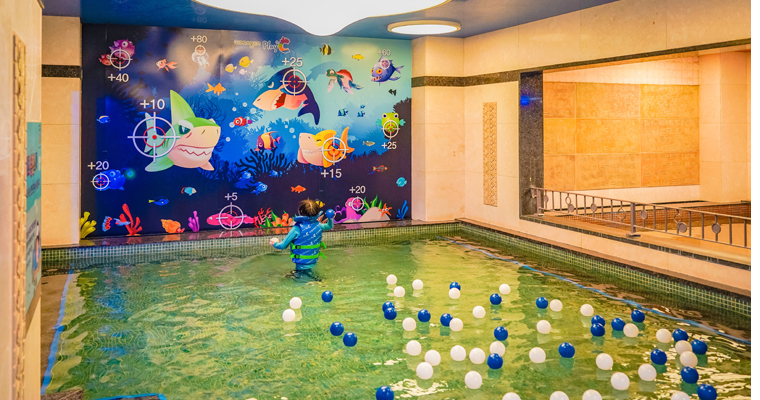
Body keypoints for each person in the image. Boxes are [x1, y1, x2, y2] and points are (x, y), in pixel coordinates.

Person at [271, 199, 335, 270]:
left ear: (300, 212)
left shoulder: (297, 229)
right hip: (314, 264)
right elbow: (329, 226)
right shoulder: (319, 226)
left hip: (301, 268)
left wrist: (275, 243)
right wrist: (330, 218)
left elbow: (282, 246)